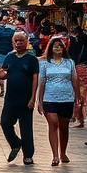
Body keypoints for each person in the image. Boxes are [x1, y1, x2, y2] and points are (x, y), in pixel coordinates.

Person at [36, 36, 81, 166]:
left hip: (66, 99)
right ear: (51, 48)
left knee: (64, 126)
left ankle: (63, 152)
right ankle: (55, 155)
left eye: (60, 46)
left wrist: (78, 97)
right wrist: (40, 100)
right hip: (49, 98)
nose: (58, 48)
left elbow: (74, 79)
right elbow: (42, 82)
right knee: (53, 124)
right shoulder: (45, 63)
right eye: (55, 46)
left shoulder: (69, 62)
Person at [0, 31, 39, 165]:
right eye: (16, 41)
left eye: (21, 41)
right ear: (13, 42)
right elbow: (2, 72)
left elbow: (35, 79)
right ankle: (15, 143)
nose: (18, 43)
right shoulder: (10, 57)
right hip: (10, 98)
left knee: (26, 127)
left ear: (26, 42)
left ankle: (28, 155)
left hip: (26, 99)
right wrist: (1, 74)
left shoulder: (32, 59)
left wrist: (33, 98)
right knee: (5, 122)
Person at [69, 24, 87, 128]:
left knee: (76, 95)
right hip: (86, 69)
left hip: (78, 69)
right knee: (82, 94)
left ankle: (77, 117)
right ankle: (79, 118)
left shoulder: (76, 43)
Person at [0, 18, 16, 98]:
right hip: (10, 52)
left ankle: (2, 90)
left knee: (1, 71)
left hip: (0, 53)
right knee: (11, 71)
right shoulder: (12, 30)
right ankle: (11, 90)